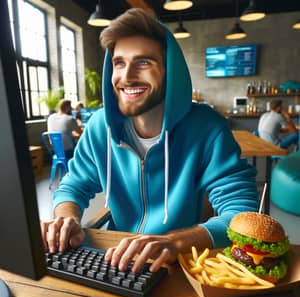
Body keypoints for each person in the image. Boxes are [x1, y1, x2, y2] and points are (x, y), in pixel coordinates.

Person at [41, 8, 258, 274]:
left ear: (171, 72)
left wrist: (173, 241)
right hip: (115, 257)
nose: (127, 76)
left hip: (178, 263)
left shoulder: (208, 128)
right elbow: (73, 186)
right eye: (119, 63)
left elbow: (242, 215)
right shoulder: (99, 126)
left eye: (143, 62)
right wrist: (66, 218)